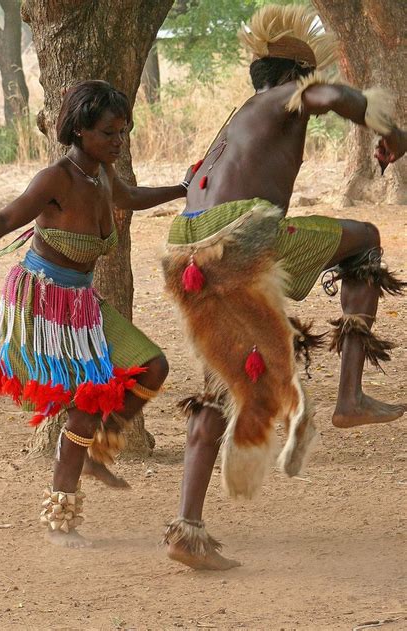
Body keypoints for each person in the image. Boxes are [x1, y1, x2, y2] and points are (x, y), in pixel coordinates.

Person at [161, 4, 406, 570]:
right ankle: (349, 395)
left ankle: (187, 529)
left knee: (218, 383)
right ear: (297, 76)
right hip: (242, 239)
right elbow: (330, 97)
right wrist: (393, 133)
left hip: (191, 257)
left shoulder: (239, 118)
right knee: (366, 236)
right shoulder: (284, 99)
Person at [0, 79, 193, 548]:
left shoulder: (102, 174)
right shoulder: (56, 178)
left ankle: (101, 445)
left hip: (81, 303)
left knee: (153, 366)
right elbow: (3, 220)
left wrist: (184, 188)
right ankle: (63, 512)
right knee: (85, 405)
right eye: (109, 133)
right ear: (79, 130)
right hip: (44, 304)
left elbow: (131, 199)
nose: (119, 142)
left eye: (124, 132)